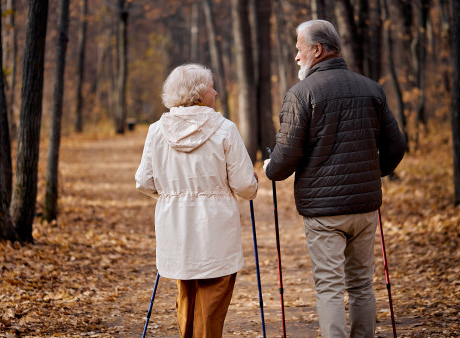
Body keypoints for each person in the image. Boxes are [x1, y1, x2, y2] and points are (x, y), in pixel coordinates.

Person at [263, 20, 406, 338]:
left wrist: (270, 168)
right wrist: (371, 173)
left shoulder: (301, 94)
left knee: (329, 288)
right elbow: (397, 146)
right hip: (364, 208)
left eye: (299, 49)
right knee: (361, 286)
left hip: (324, 213)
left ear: (317, 50)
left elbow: (285, 160)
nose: (296, 57)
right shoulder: (371, 88)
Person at [135, 63, 258, 337]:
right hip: (216, 227)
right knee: (213, 296)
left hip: (175, 226)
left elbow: (143, 181)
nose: (215, 91)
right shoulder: (225, 128)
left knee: (186, 293)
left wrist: (171, 195)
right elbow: (245, 185)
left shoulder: (157, 130)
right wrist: (252, 185)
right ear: (200, 93)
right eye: (211, 86)